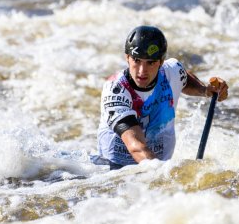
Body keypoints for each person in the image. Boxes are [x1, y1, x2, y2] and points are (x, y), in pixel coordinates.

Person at [96, 25, 229, 170]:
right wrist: (166, 176)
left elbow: (183, 76)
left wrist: (205, 90)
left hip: (160, 168)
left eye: (150, 62)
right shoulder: (115, 91)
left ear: (161, 61)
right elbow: (136, 146)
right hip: (116, 171)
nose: (142, 71)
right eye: (136, 60)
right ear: (127, 57)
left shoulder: (172, 71)